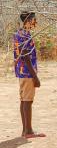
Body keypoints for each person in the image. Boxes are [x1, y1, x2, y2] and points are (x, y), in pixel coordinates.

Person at [13, 11, 45, 139]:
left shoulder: (19, 33)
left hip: (21, 72)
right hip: (27, 72)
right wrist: (35, 76)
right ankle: (29, 131)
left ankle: (25, 130)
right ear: (27, 20)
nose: (35, 22)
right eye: (34, 20)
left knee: (24, 100)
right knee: (28, 101)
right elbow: (26, 55)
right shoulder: (25, 35)